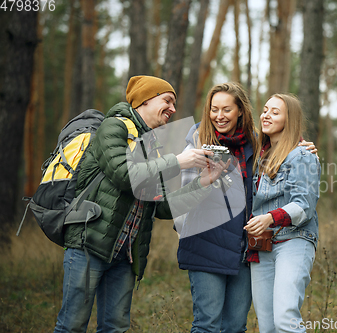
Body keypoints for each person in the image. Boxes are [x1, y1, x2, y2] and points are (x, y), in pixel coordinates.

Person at [54, 75, 224, 333]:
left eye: (174, 103)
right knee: (72, 326)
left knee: (115, 328)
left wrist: (201, 183)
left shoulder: (152, 146)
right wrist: (179, 161)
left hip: (125, 255)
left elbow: (163, 208)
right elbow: (125, 175)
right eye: (167, 100)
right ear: (145, 100)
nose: (173, 109)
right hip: (90, 245)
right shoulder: (113, 128)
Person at [174, 83, 317, 332]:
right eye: (214, 109)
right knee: (211, 324)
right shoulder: (199, 143)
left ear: (240, 110)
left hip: (248, 249)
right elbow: (180, 202)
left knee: (239, 324)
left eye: (226, 109)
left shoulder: (256, 144)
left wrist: (302, 145)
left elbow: (289, 158)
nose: (219, 116)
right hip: (208, 245)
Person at [244, 93, 320, 333]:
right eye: (265, 109)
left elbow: (303, 205)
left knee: (285, 320)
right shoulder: (257, 155)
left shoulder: (302, 155)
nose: (266, 115)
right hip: (262, 246)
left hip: (293, 241)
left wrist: (269, 218)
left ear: (290, 119)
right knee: (267, 326)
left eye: (275, 112)